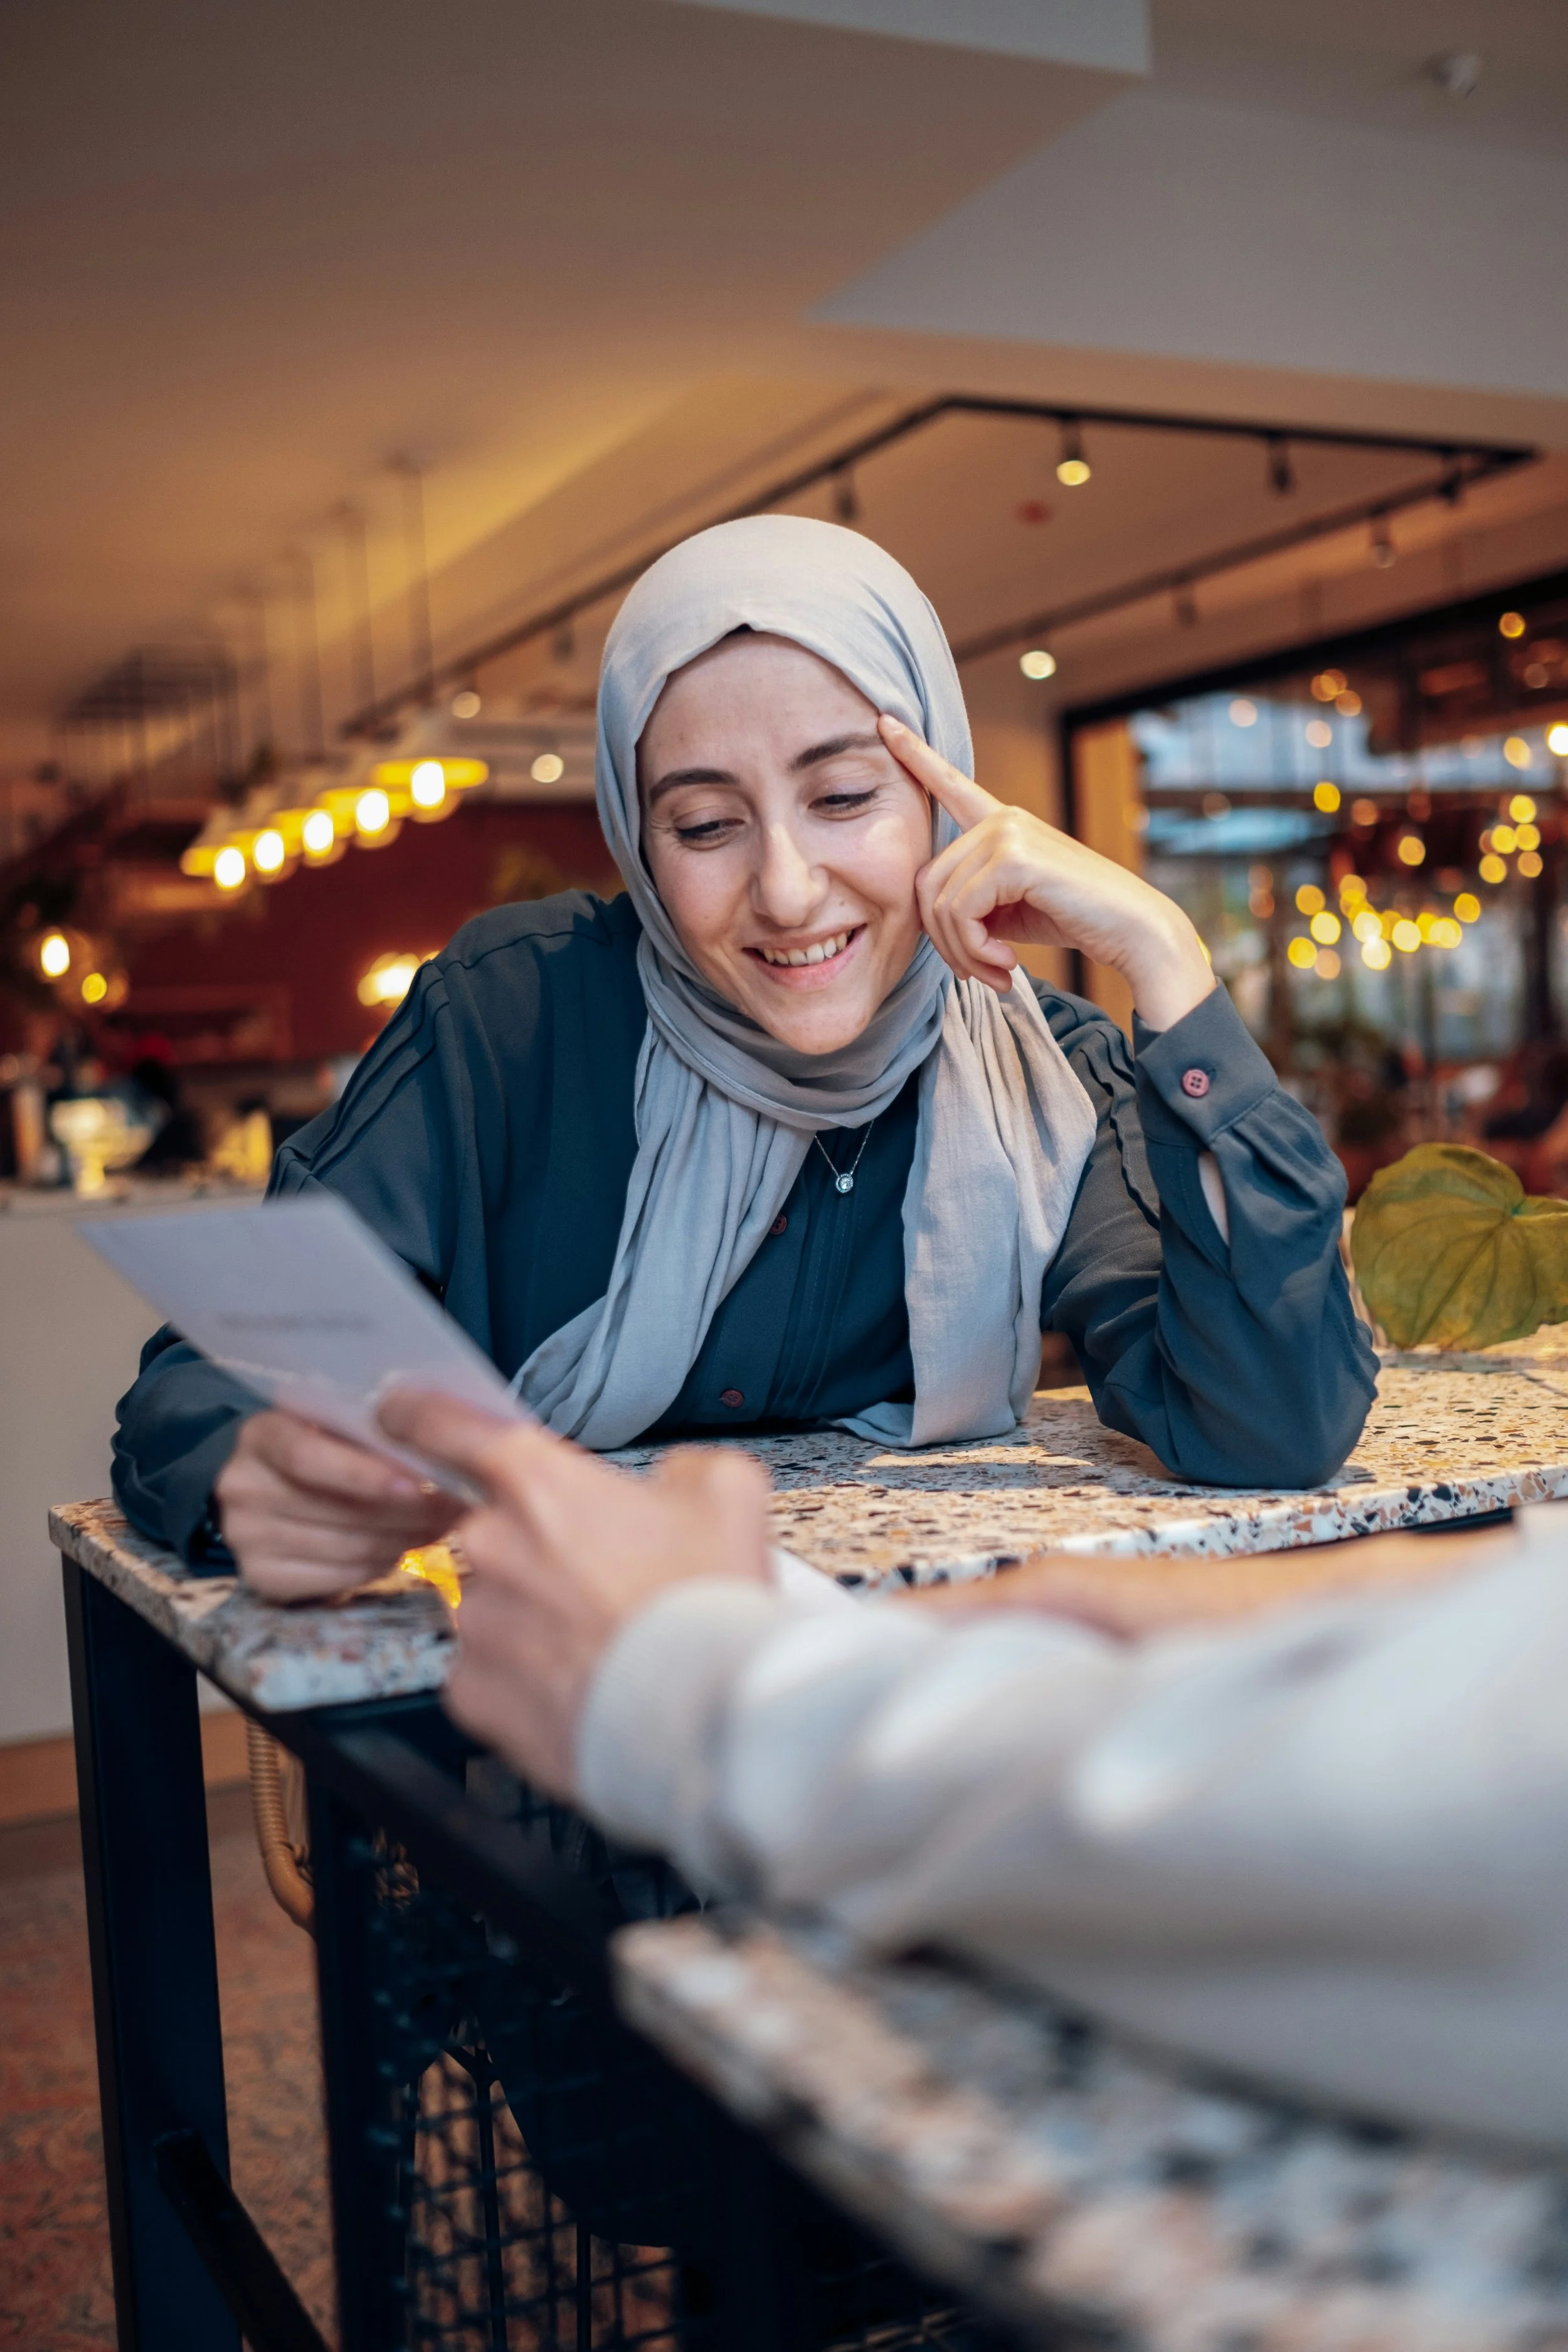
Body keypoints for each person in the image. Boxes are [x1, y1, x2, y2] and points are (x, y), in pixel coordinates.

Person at [111, 516, 1375, 1589]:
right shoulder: (510, 1021)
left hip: (891, 1738)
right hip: (519, 1717)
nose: (784, 890)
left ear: (940, 797)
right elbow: (210, 1375)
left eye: (841, 799)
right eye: (706, 823)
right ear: (636, 839)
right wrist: (251, 1472)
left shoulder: (1047, 1075)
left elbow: (1267, 1424)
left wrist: (1166, 958)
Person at [379, 1386, 1568, 2155]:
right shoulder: (485, 1031)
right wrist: (1338, 1590)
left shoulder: (1063, 1068)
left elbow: (1426, 1807)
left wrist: (695, 1682)